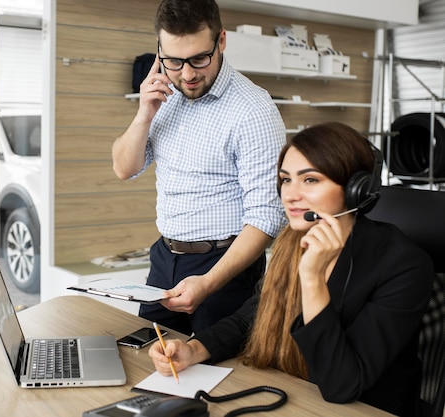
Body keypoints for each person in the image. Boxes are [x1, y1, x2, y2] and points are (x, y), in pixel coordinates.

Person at [148, 122, 434, 417]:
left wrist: (312, 279)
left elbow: (342, 384)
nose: (290, 195)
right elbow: (254, 316)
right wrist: (196, 349)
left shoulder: (403, 264)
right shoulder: (294, 240)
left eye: (310, 180)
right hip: (295, 393)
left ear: (355, 190)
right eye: (286, 180)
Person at [112, 0, 286, 335]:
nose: (188, 74)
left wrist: (208, 283)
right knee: (149, 360)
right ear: (160, 50)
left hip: (225, 267)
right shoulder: (165, 95)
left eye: (199, 59)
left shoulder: (254, 111)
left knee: (219, 375)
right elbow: (124, 168)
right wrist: (144, 111)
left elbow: (267, 217)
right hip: (165, 259)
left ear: (221, 41)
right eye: (174, 61)